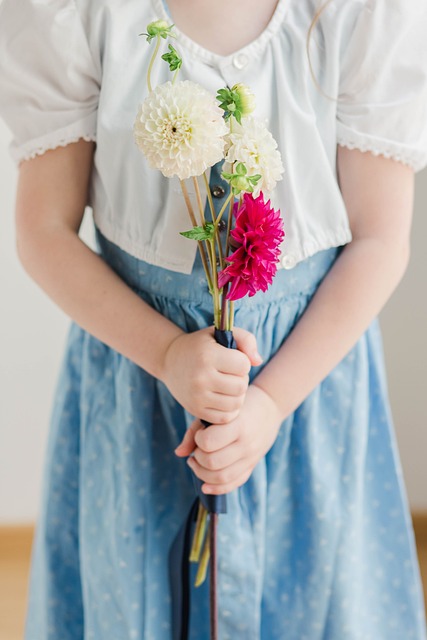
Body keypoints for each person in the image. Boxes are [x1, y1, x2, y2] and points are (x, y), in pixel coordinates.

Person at [0, 0, 426, 637]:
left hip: (307, 387)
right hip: (139, 384)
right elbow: (43, 231)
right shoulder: (81, 14)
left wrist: (270, 405)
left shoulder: (360, 14)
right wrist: (168, 354)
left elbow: (381, 241)